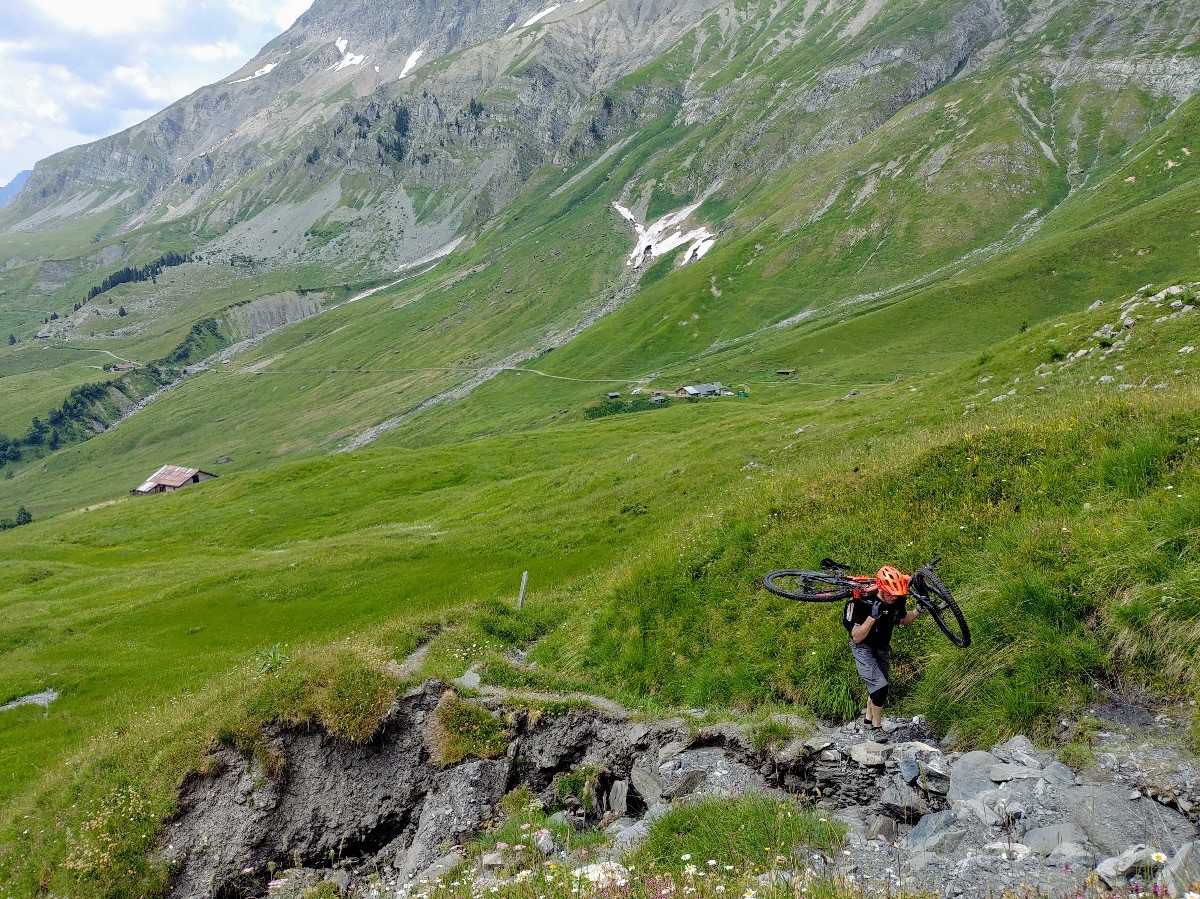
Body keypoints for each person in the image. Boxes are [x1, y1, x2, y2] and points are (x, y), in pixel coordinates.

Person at [844, 565, 920, 739]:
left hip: (882, 647)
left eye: (896, 594)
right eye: (889, 594)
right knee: (880, 687)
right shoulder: (860, 603)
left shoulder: (897, 598)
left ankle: (868, 721)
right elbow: (856, 637)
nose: (893, 597)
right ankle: (877, 729)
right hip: (863, 648)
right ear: (880, 588)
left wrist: (918, 610)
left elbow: (902, 620)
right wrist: (872, 617)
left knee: (879, 684)